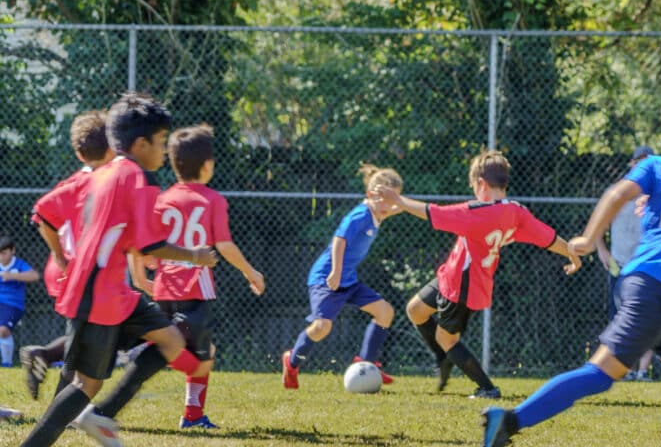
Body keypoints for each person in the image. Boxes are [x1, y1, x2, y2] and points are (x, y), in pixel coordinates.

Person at [477, 77, 661, 447]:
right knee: (600, 375)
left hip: (649, 287)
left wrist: (585, 238)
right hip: (655, 290)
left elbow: (618, 192)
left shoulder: (656, 166)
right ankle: (507, 421)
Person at [0, 92, 218, 447]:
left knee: (171, 341)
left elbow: (125, 237)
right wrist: (196, 256)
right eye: (161, 140)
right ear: (140, 144)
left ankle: (101, 416)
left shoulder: (104, 174)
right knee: (86, 382)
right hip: (98, 292)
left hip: (112, 288)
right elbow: (147, 245)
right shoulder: (137, 176)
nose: (164, 149)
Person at [372, 150, 581, 398]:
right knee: (415, 309)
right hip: (450, 276)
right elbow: (547, 237)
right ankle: (445, 358)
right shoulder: (515, 211)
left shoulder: (477, 213)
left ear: (481, 183)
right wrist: (571, 253)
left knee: (446, 338)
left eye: (473, 185)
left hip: (463, 283)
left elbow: (434, 213)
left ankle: (487, 388)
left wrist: (399, 199)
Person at [127, 124, 264, 428]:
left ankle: (192, 415)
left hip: (163, 290)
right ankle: (144, 351)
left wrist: (139, 277)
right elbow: (224, 245)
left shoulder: (161, 199)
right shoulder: (212, 200)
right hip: (195, 291)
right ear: (207, 165)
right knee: (198, 356)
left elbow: (141, 243)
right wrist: (250, 272)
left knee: (204, 352)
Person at [282, 164, 404, 390]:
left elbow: (397, 206)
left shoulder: (379, 211)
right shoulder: (361, 215)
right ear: (370, 195)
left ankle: (367, 362)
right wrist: (335, 272)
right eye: (385, 199)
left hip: (348, 281)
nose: (389, 206)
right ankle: (291, 361)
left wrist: (403, 204)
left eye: (393, 199)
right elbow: (339, 240)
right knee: (321, 327)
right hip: (326, 278)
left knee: (385, 312)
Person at [20, 110, 114, 399]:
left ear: (78, 152)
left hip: (73, 266)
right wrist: (61, 256)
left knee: (88, 333)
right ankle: (64, 404)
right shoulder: (97, 182)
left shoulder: (81, 180)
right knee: (89, 335)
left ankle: (45, 356)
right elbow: (42, 213)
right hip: (77, 269)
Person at [596, 145, 655, 381]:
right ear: (631, 164)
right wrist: (603, 252)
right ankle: (624, 369)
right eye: (638, 161)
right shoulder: (617, 192)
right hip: (618, 264)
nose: (641, 166)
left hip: (645, 266)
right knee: (620, 318)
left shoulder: (657, 194)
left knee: (650, 317)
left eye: (647, 161)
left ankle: (642, 371)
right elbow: (597, 225)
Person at [0, 235, 40, 367]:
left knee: (3, 331)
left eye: (4, 253)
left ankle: (6, 364)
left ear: (13, 251)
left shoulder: (19, 264)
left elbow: (35, 276)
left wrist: (12, 276)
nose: (1, 257)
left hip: (13, 305)